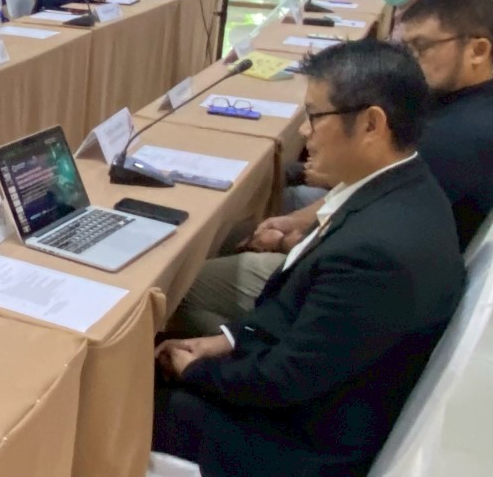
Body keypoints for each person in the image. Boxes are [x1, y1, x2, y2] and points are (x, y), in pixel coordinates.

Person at [153, 40, 465, 477]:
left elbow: (283, 381)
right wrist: (227, 341)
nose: (303, 131)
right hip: (325, 394)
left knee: (125, 393)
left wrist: (196, 372)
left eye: (315, 116)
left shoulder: (374, 254)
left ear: (371, 124)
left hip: (304, 443)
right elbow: (298, 318)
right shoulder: (409, 186)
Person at [170, 0, 493, 338]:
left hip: (357, 293)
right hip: (383, 269)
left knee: (181, 287)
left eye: (419, 48)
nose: (408, 61)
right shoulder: (470, 111)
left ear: (478, 50)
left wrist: (291, 241)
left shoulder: (454, 142)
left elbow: (357, 226)